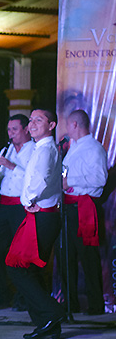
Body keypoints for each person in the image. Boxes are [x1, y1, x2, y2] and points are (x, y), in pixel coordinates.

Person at [5, 109, 66, 339]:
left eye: (38, 120)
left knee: (17, 267)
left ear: (51, 125)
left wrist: (28, 200)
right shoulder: (43, 148)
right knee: (30, 268)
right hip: (42, 214)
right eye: (30, 120)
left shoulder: (46, 149)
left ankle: (52, 312)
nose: (31, 124)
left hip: (41, 214)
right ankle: (48, 321)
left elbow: (39, 180)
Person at [60, 109, 108, 315]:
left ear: (75, 125)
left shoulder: (94, 148)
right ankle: (70, 302)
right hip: (69, 206)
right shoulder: (73, 147)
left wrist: (69, 182)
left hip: (85, 206)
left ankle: (96, 303)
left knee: (88, 256)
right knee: (66, 256)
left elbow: (100, 179)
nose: (66, 129)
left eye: (68, 125)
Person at [0, 114, 35, 308]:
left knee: (22, 253)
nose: (11, 133)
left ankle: (23, 297)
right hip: (4, 204)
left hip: (23, 206)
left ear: (26, 130)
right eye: (9, 130)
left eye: (15, 129)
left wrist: (11, 166)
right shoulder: (6, 150)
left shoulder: (34, 150)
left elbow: (33, 178)